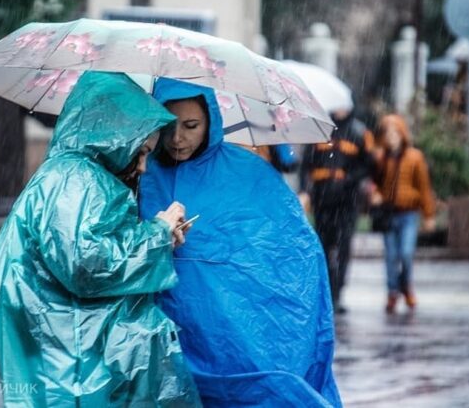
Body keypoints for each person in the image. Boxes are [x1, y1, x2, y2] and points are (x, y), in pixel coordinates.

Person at [0, 72, 200, 407]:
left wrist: (159, 238)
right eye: (141, 152)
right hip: (74, 368)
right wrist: (158, 232)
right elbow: (87, 265)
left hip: (68, 355)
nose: (144, 167)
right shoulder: (75, 181)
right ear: (114, 139)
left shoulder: (77, 177)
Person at [140, 79, 341, 407]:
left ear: (211, 122)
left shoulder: (248, 172)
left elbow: (292, 252)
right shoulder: (140, 169)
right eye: (167, 125)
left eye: (191, 126)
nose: (177, 139)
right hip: (162, 327)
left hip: (229, 333)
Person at [299, 108, 375, 313]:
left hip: (347, 201)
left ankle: (337, 293)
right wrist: (305, 190)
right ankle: (325, 291)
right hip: (323, 200)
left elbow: (369, 165)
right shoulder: (319, 131)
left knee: (342, 247)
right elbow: (306, 165)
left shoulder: (359, 132)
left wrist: (348, 179)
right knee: (323, 246)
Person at [369, 114, 436, 314]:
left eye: (395, 133)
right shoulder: (381, 158)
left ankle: (406, 285)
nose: (391, 137)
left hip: (409, 214)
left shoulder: (415, 157)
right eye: (387, 133)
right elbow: (374, 183)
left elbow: (424, 187)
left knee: (406, 254)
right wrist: (375, 195)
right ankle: (392, 291)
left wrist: (429, 214)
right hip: (389, 214)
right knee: (391, 256)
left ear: (402, 134)